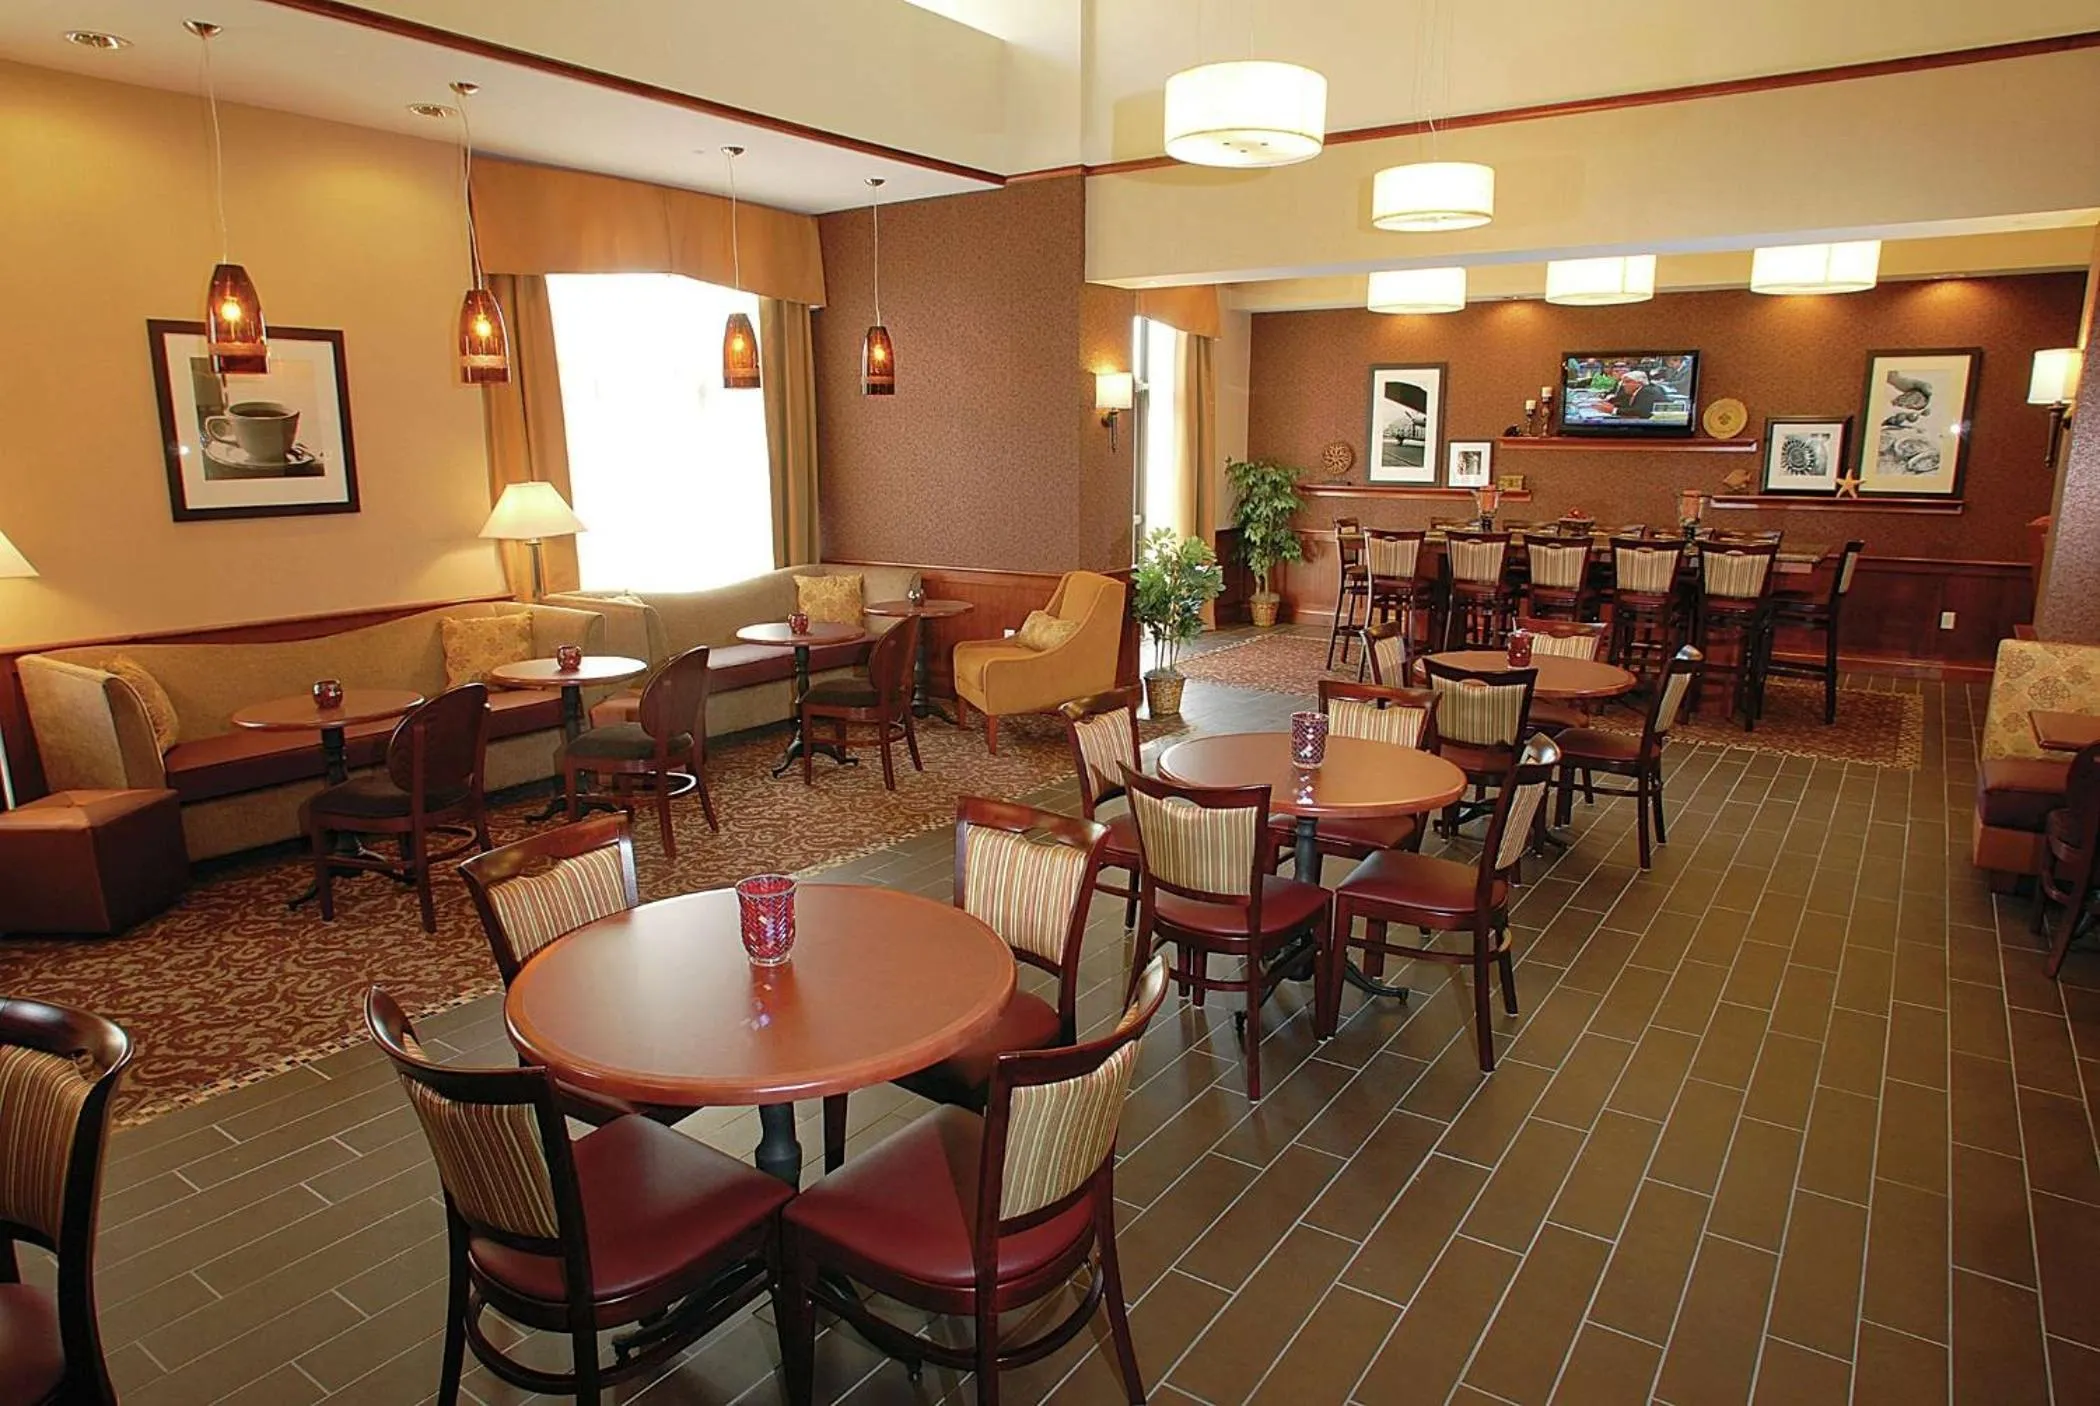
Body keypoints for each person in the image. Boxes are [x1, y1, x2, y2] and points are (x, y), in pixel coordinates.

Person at [1599, 369, 1666, 419]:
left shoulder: (1648, 391)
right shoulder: (1635, 391)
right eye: (1623, 382)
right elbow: (1623, 401)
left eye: (1627, 382)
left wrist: (1614, 410)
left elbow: (1640, 411)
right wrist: (1608, 403)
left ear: (1640, 383)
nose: (1624, 385)